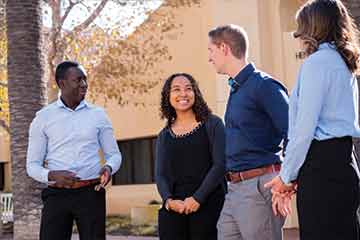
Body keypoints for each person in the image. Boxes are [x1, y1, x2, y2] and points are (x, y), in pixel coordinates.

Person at [265, 1, 360, 239]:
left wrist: (286, 177)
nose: (299, 35)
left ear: (312, 27)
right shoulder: (343, 63)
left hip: (321, 170)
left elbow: (304, 131)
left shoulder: (316, 64)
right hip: (344, 163)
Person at [207, 24, 289, 240]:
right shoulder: (237, 88)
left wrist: (286, 178)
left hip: (258, 186)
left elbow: (293, 130)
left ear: (224, 48)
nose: (209, 58)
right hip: (234, 189)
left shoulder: (264, 86)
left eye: (211, 51)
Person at [26, 61, 122, 240]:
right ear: (62, 83)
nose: (84, 84)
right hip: (56, 195)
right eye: (78, 80)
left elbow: (114, 155)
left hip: (91, 194)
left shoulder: (98, 115)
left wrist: (108, 168)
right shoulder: (43, 118)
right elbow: (32, 165)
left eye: (85, 79)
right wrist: (52, 175)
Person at [155, 73, 226, 240]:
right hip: (175, 208)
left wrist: (197, 199)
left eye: (188, 89)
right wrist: (168, 201)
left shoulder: (213, 124)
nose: (183, 94)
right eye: (176, 89)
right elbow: (160, 174)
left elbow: (220, 165)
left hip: (209, 204)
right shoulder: (164, 136)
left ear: (196, 93)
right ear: (168, 96)